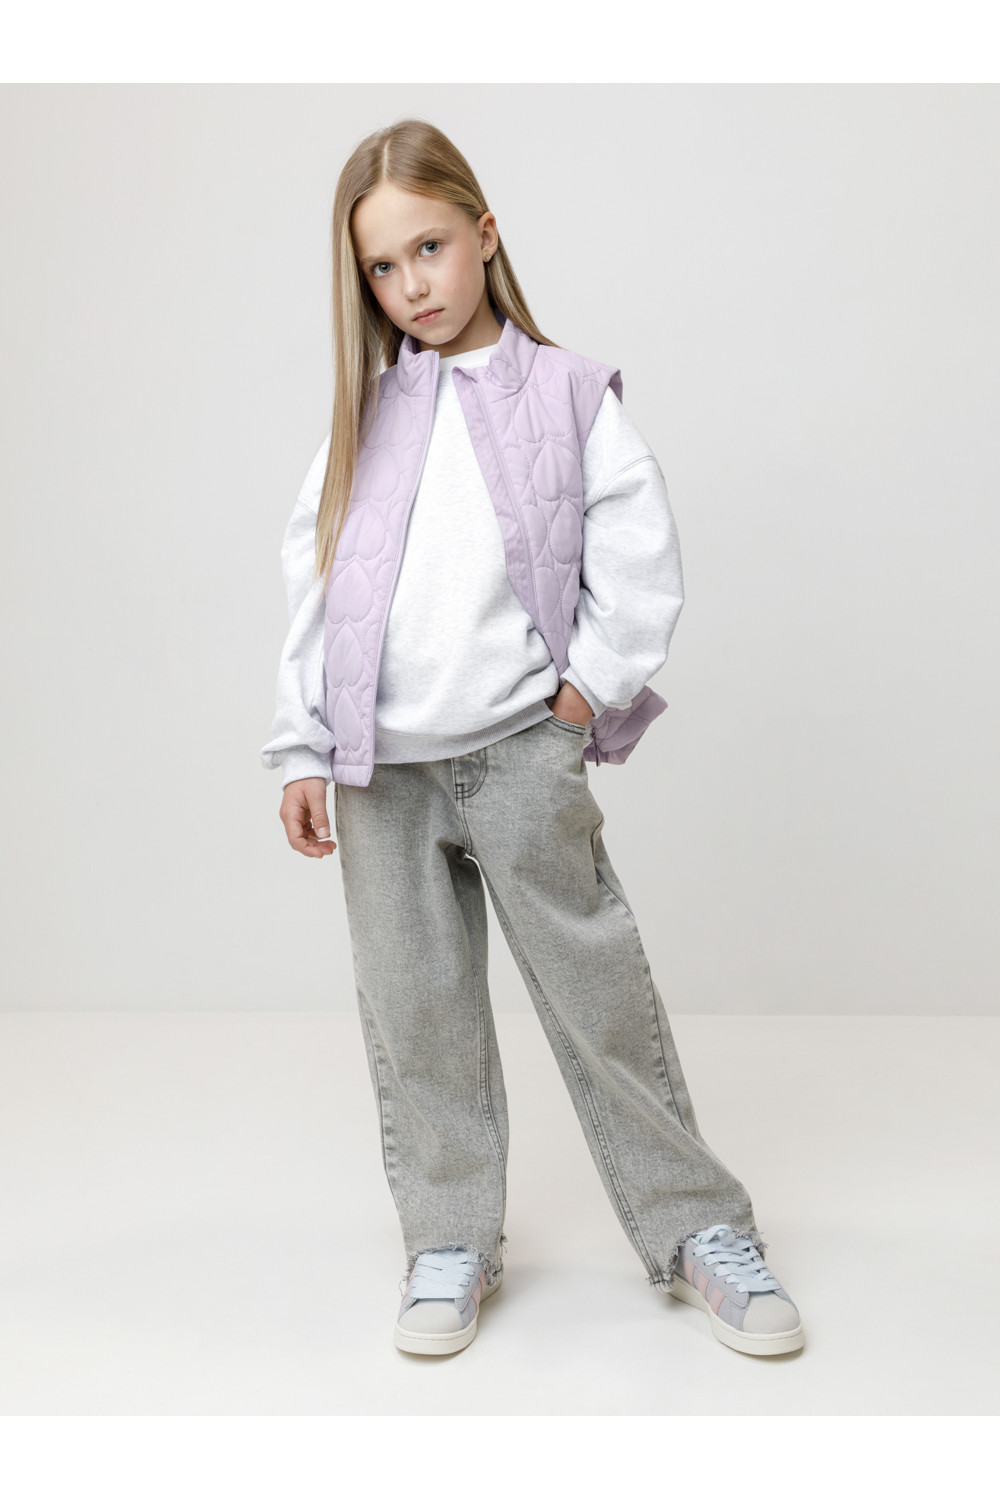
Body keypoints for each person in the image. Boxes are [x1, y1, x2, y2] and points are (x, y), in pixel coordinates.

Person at [260, 118, 804, 1360]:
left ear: (485, 233)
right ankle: (448, 1237)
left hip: (518, 753)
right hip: (381, 775)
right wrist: (300, 748)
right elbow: (316, 586)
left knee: (598, 996)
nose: (413, 285)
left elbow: (638, 558)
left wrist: (579, 702)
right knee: (419, 1014)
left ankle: (696, 1228)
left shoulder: (567, 394)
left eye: (430, 248)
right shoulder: (363, 418)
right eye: (382, 268)